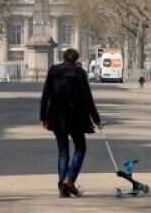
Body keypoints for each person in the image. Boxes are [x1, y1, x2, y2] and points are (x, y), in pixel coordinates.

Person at [40, 48, 102, 198]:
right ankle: (70, 180)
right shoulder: (79, 73)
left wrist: (43, 117)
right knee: (80, 147)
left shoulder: (53, 71)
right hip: (76, 116)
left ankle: (63, 186)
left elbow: (46, 94)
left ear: (63, 58)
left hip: (56, 116)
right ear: (76, 59)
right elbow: (88, 98)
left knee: (63, 151)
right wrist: (96, 119)